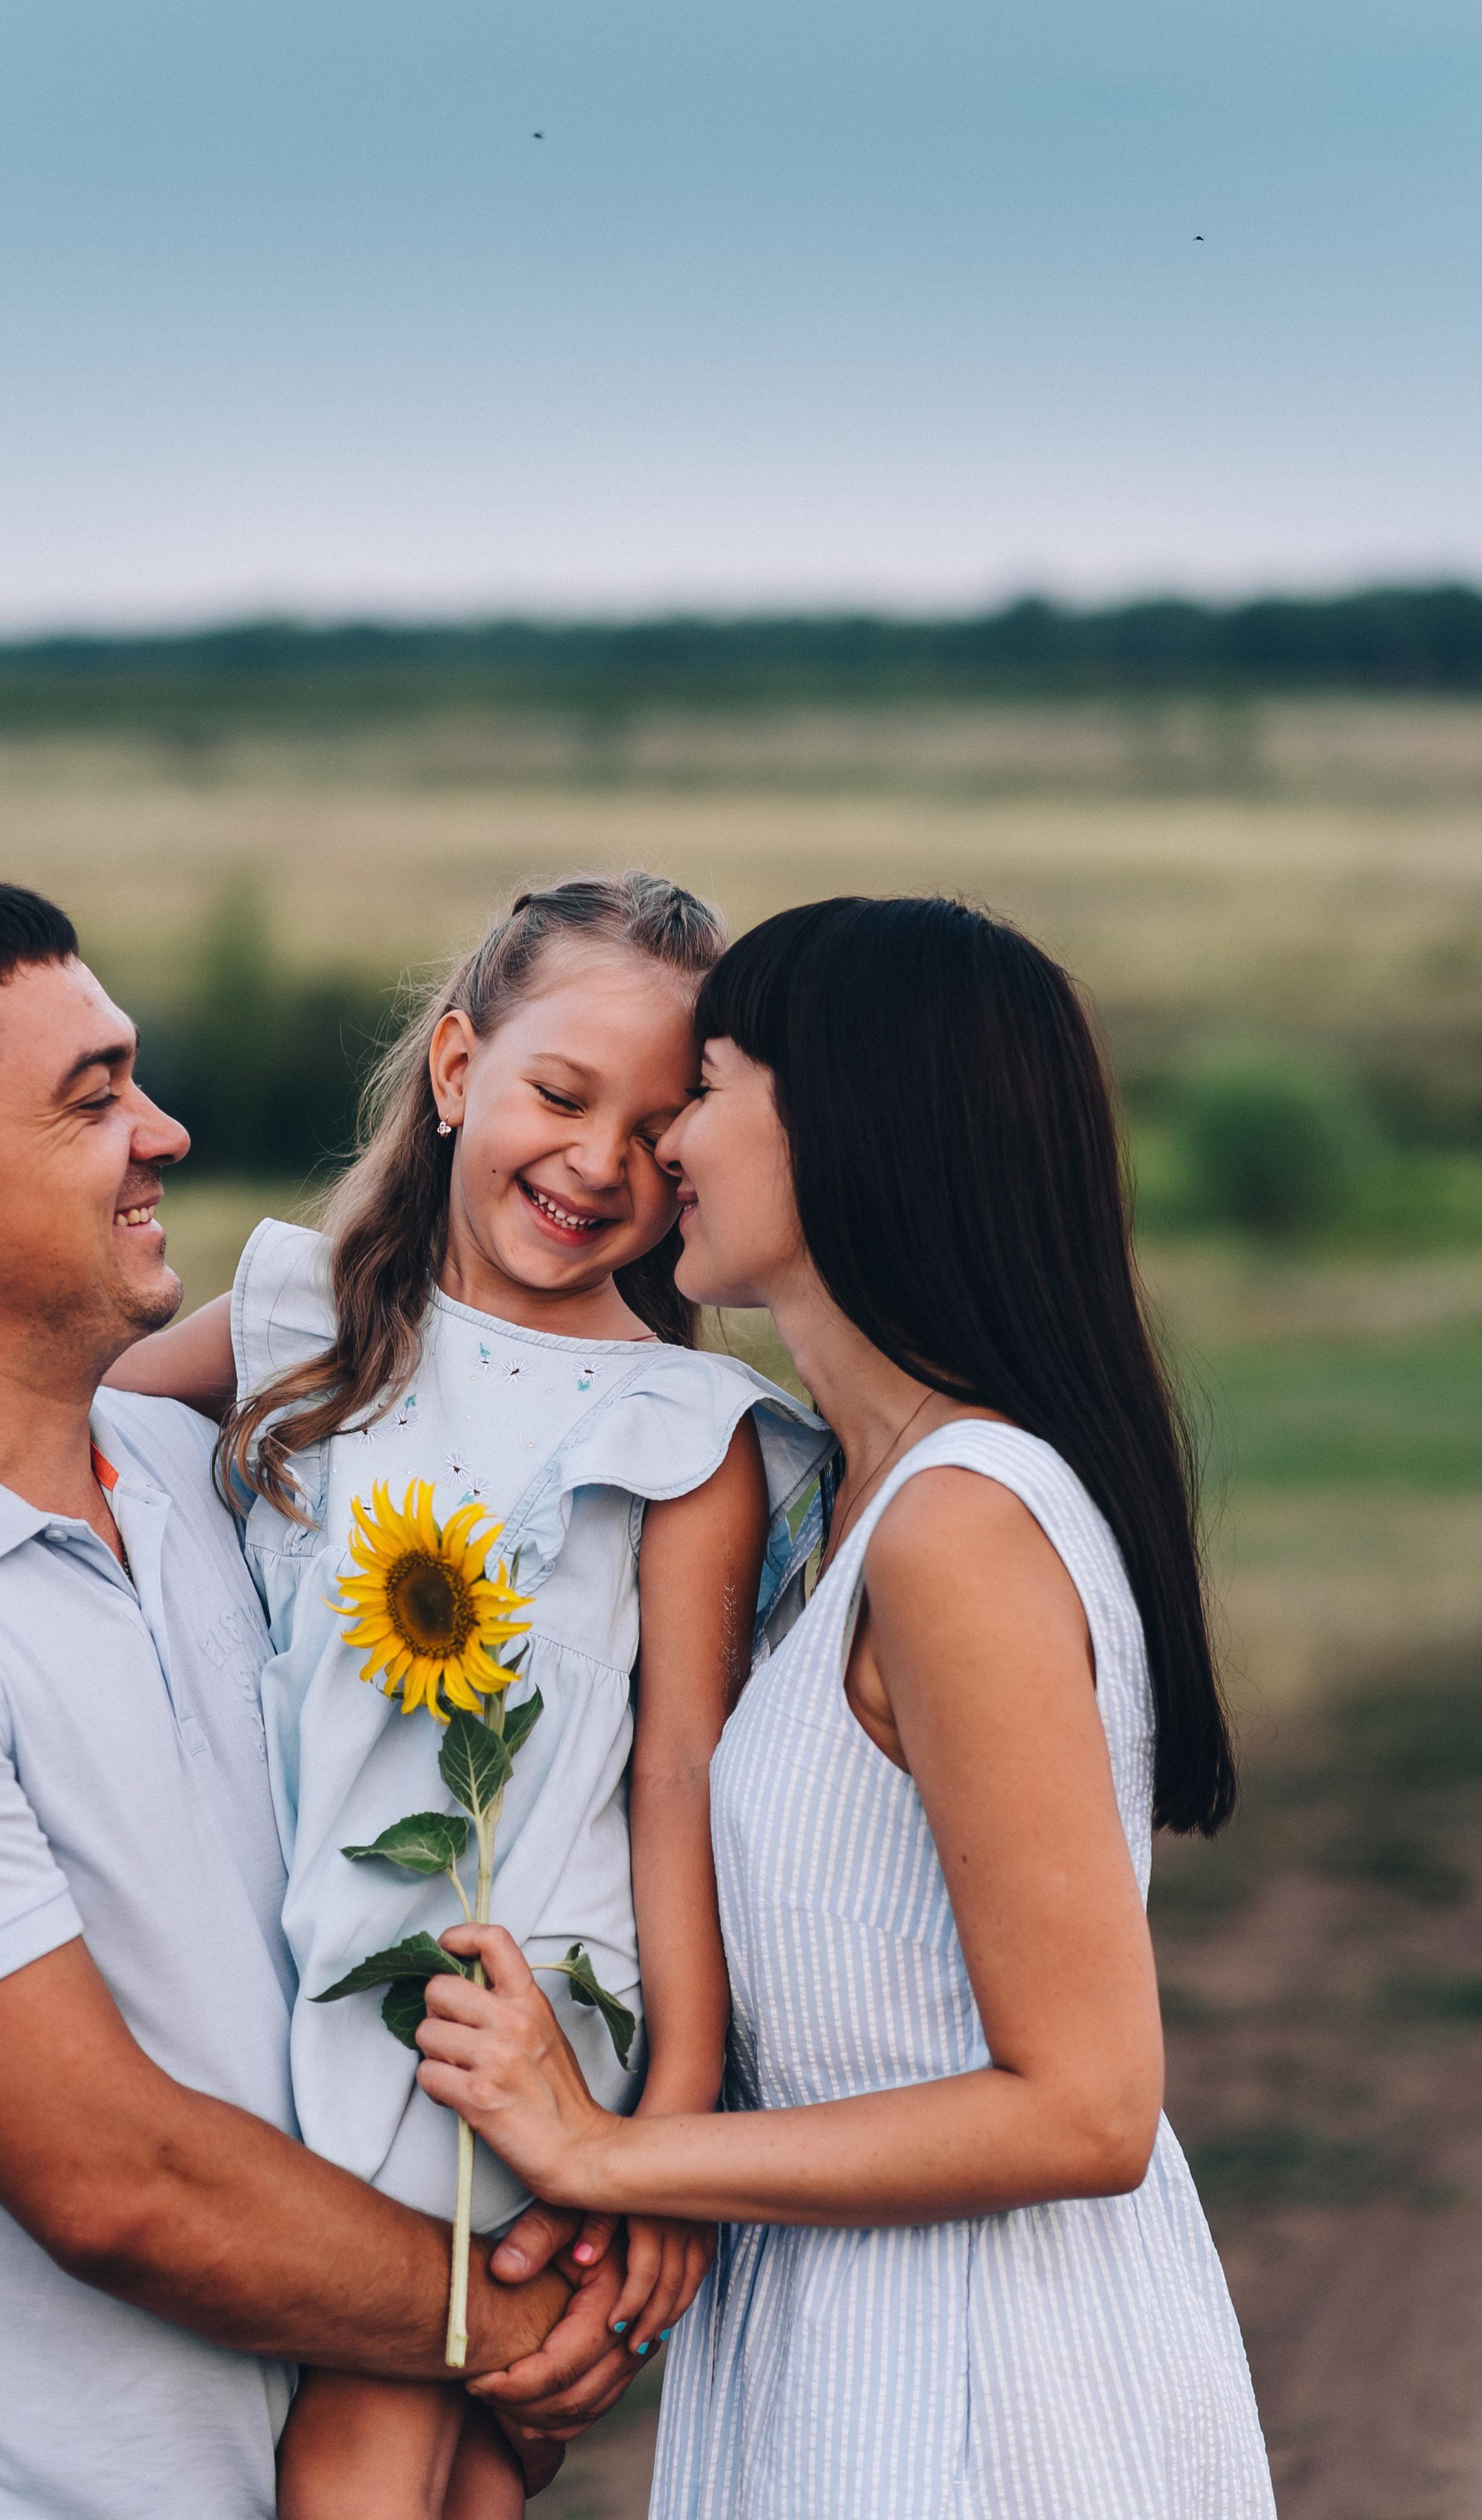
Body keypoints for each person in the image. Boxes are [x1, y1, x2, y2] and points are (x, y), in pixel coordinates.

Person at [411, 895, 1279, 2515]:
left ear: (848, 1133)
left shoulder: (956, 1524)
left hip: (983, 2391)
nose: (662, 1140)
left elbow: (1086, 2104)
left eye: (710, 1085)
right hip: (839, 2344)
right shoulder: (840, 1504)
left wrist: (605, 2151)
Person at [0, 878, 643, 2520]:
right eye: (95, 1095)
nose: (165, 1132)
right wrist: (513, 2319)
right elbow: (113, 2180)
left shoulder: (214, 1479)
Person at [111, 873, 831, 2520]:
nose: (595, 1163)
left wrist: (660, 2138)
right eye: (557, 1095)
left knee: (390, 2434)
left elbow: (677, 1781)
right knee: (452, 2458)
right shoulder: (301, 1323)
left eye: (658, 1135)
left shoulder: (682, 1426)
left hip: (518, 2003)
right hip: (297, 1962)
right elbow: (43, 1444)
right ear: (454, 1072)